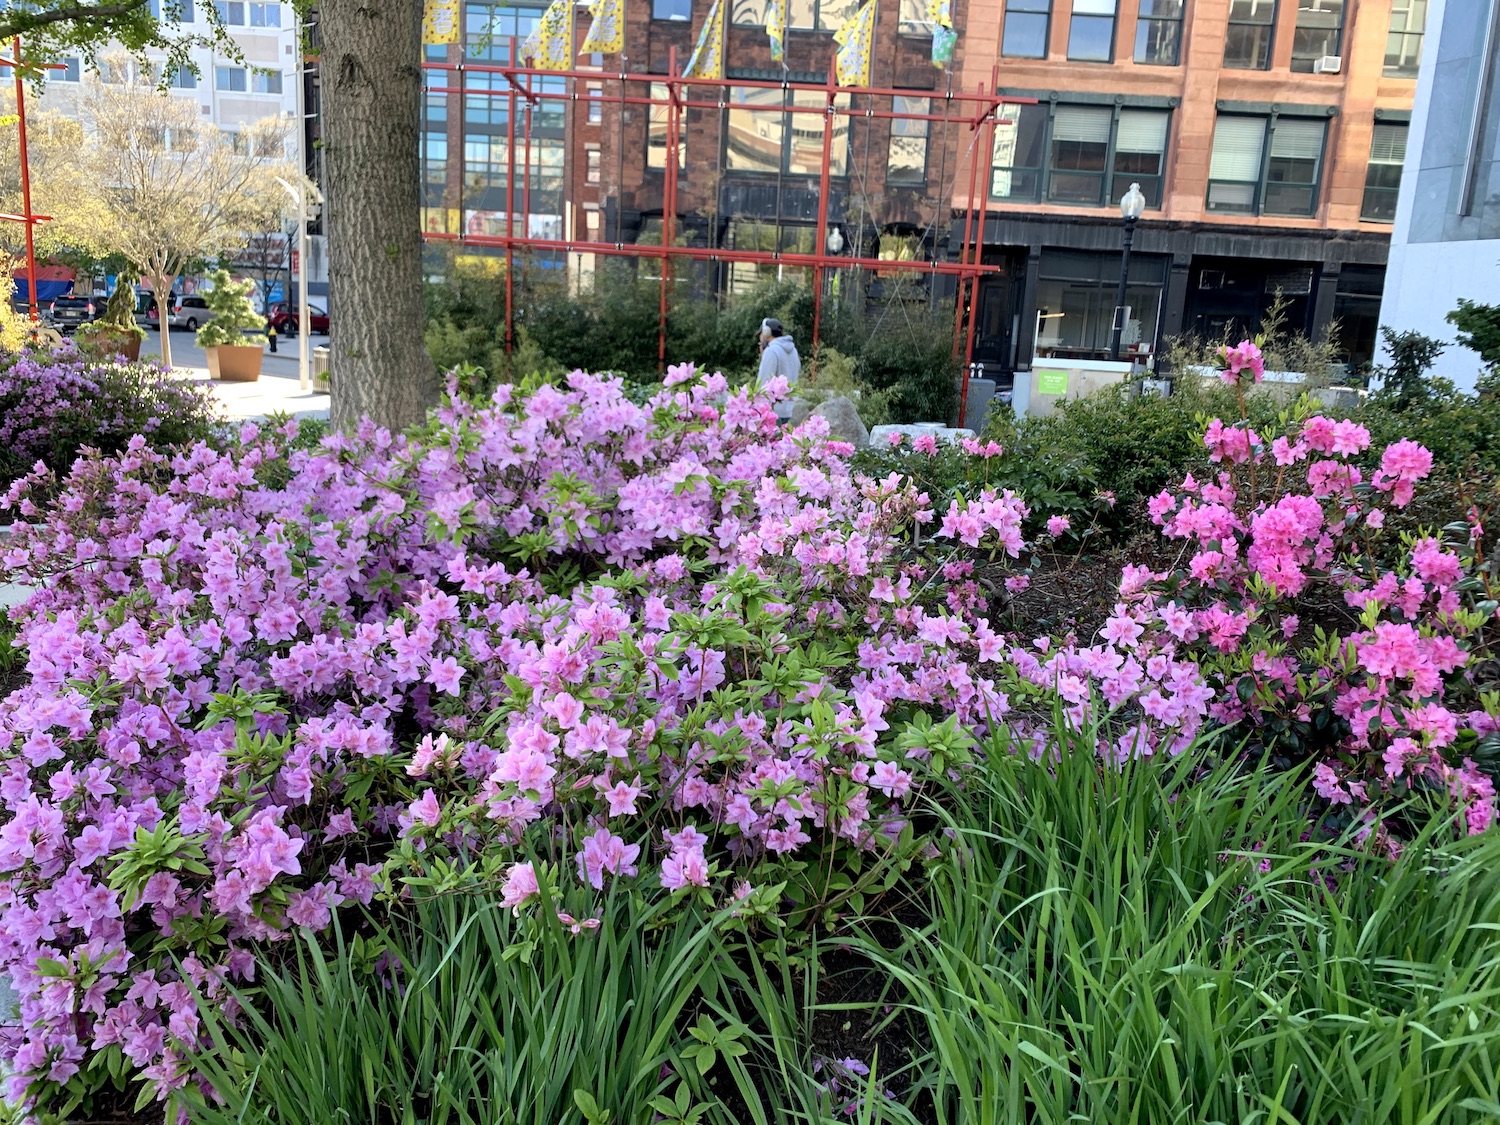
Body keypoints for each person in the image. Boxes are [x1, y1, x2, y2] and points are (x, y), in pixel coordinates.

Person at [756, 318, 800, 421]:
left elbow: (763, 382)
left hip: (772, 412)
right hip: (788, 409)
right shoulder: (794, 350)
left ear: (766, 332)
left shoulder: (771, 351)